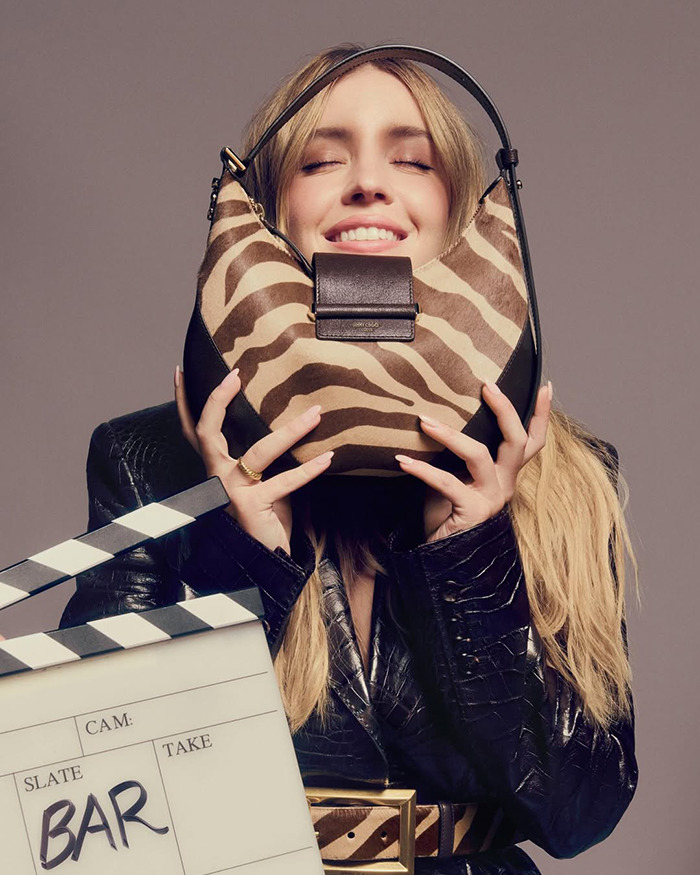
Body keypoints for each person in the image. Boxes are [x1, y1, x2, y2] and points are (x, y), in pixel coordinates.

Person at [61, 45, 638, 874]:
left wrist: (469, 553)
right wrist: (245, 555)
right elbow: (96, 798)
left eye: (413, 161)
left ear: (462, 209)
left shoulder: (574, 481)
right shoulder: (146, 463)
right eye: (321, 160)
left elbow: (581, 812)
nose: (368, 182)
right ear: (266, 210)